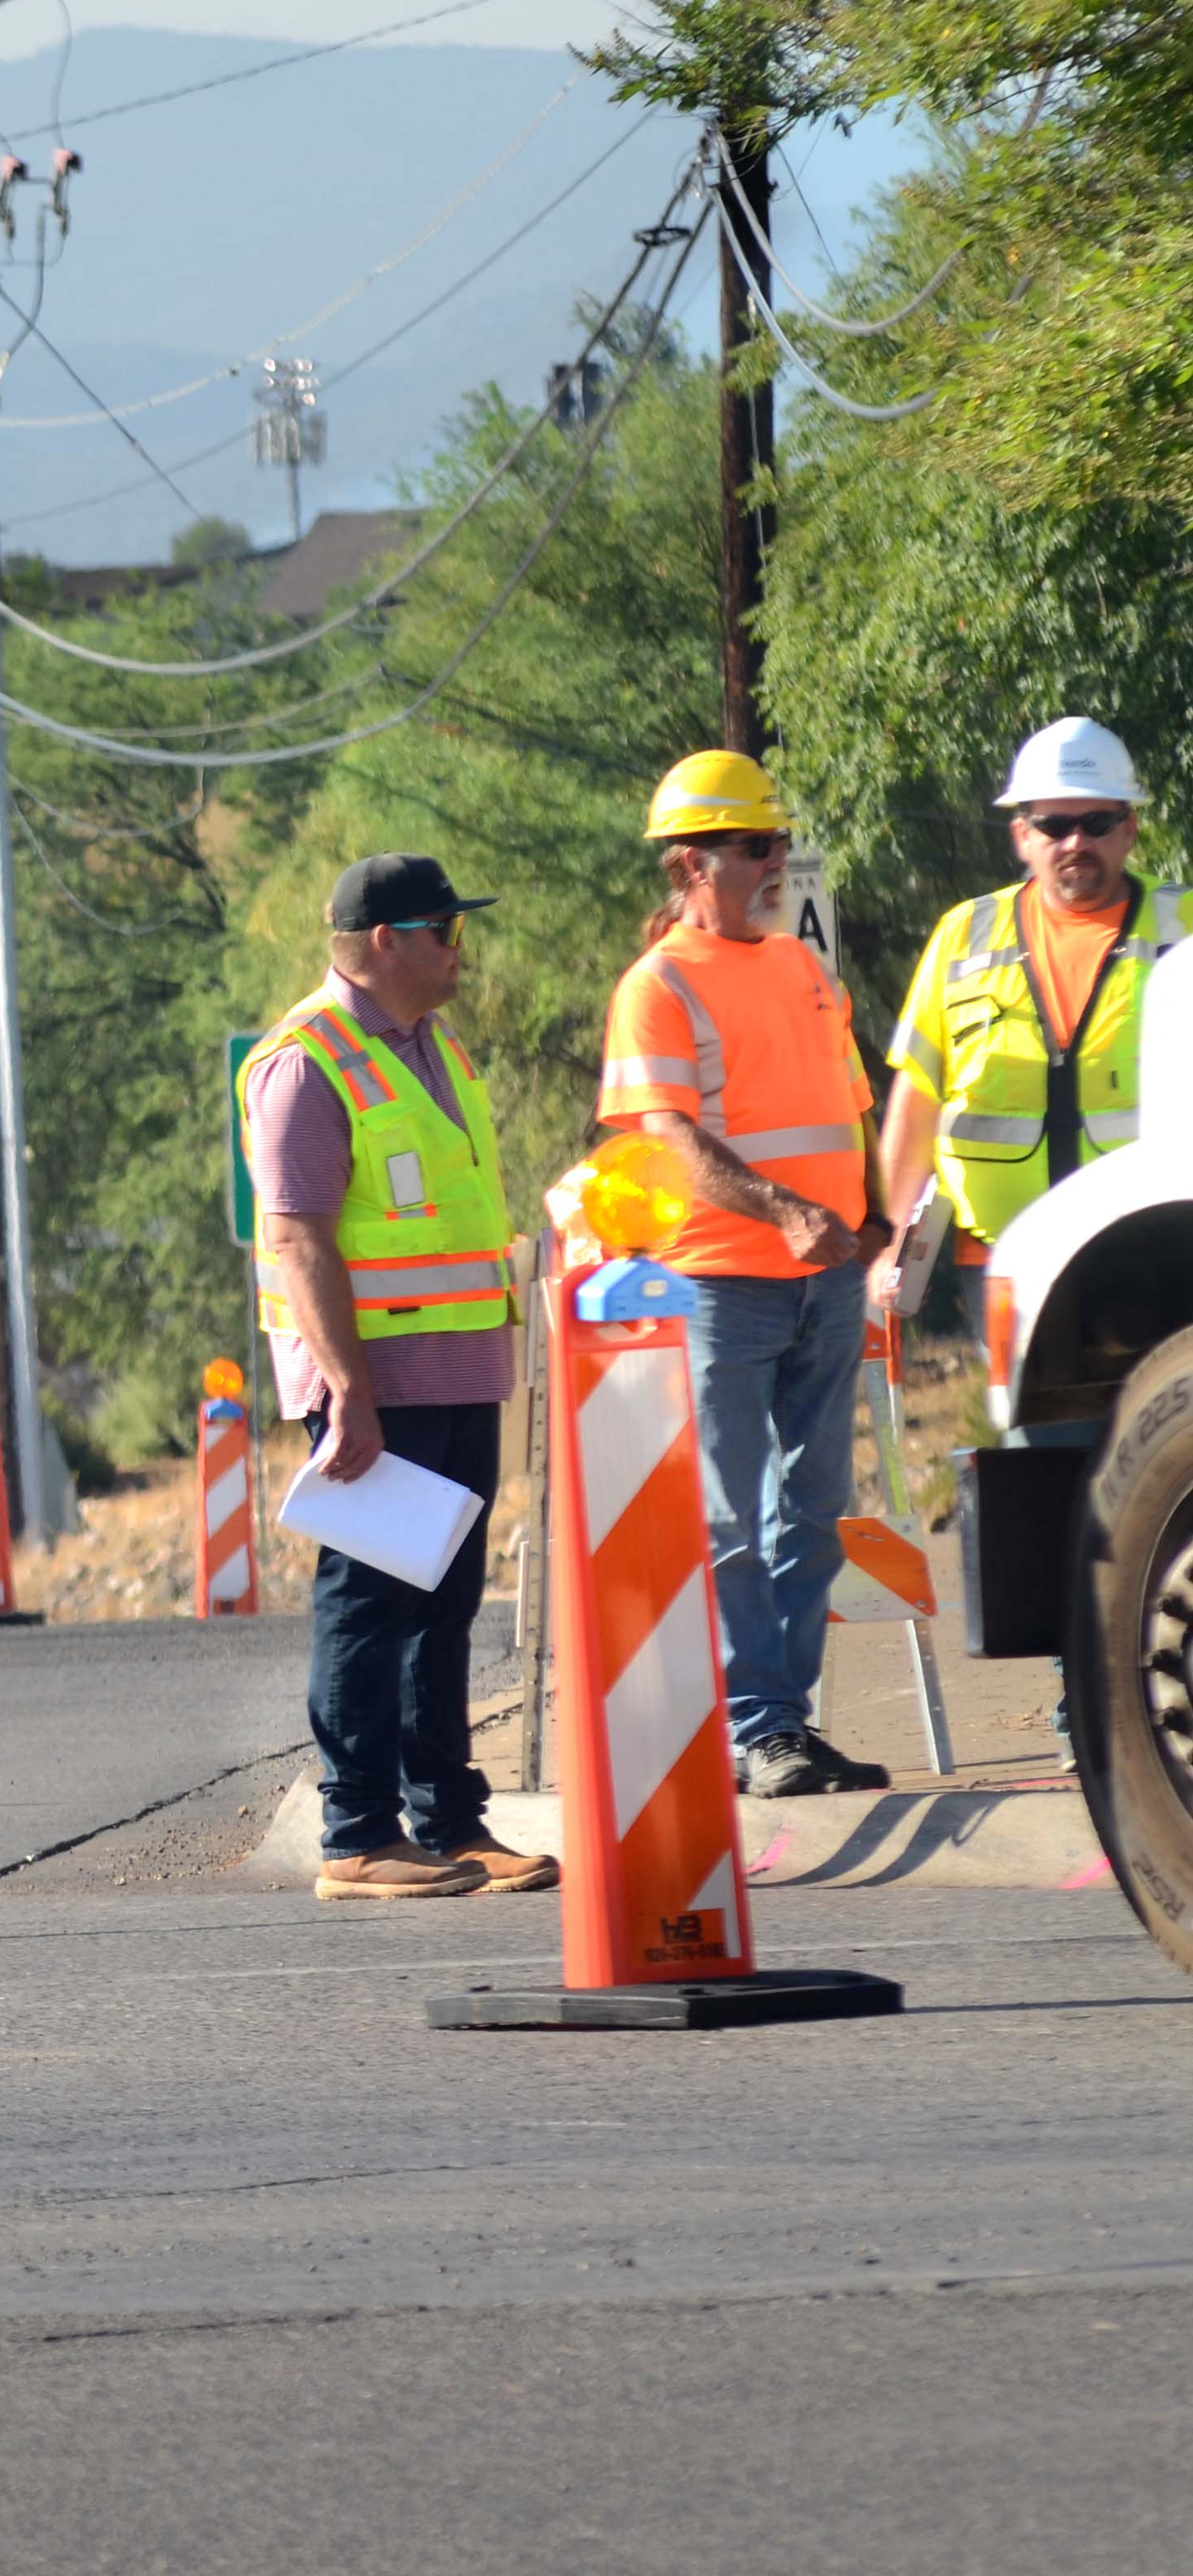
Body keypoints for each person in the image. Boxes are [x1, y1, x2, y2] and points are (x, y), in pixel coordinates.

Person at [240, 853, 554, 1903]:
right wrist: (348, 1392)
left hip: (458, 1366)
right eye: (444, 929)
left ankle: (448, 1824)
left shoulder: (431, 1046)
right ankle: (357, 1834)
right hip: (377, 1383)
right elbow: (297, 1241)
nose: (459, 947)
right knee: (369, 1603)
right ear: (385, 941)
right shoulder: (304, 1065)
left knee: (442, 1606)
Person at [595, 752, 892, 1799]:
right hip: (720, 1284)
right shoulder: (656, 987)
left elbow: (850, 1106)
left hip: (827, 1277)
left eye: (777, 842)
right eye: (753, 846)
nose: (775, 862)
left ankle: (783, 1724)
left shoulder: (802, 969)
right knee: (726, 1520)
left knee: (813, 1514)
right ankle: (756, 1728)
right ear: (689, 862)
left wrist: (871, 1213)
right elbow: (670, 1141)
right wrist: (788, 1212)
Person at [875, 718, 1183, 1270]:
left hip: (1157, 1258)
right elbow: (916, 1103)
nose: (1076, 842)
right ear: (1022, 836)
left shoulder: (1185, 925)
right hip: (1001, 1263)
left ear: (1130, 829)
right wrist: (891, 1247)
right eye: (1054, 825)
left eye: (1097, 822)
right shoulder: (962, 935)